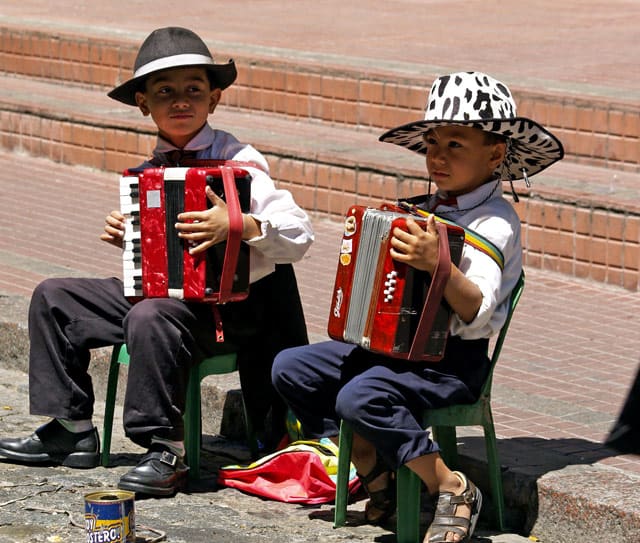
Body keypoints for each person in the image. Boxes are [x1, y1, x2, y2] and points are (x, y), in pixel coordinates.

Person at [0, 27, 313, 497]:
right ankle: (71, 428)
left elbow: (299, 235)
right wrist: (129, 237)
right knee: (54, 296)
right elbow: (157, 261)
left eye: (194, 89)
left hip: (230, 311)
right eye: (165, 92)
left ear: (215, 98)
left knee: (151, 313)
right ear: (144, 103)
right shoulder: (150, 169)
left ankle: (164, 448)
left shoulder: (240, 161)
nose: (181, 101)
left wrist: (239, 225)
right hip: (167, 302)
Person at [272, 71, 563, 542]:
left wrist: (438, 265)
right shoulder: (429, 207)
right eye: (433, 143)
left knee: (359, 396)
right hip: (396, 354)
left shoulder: (495, 222)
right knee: (291, 367)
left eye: (455, 144)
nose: (437, 156)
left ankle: (450, 485)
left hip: (451, 364)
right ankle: (375, 471)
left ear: (495, 154)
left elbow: (478, 311)